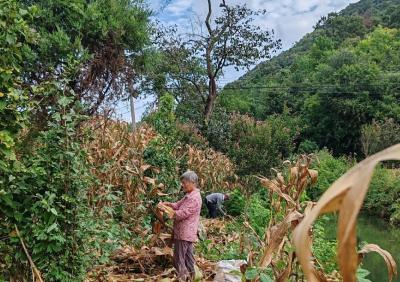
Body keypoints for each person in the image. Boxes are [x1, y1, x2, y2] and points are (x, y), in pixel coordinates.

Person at [159, 170, 202, 282]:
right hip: (186, 233)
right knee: (188, 258)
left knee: (179, 259)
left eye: (184, 182)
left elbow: (183, 213)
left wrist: (167, 210)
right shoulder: (189, 195)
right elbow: (178, 205)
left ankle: (182, 279)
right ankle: (193, 278)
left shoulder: (194, 198)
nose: (182, 185)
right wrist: (169, 204)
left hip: (184, 233)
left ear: (192, 182)